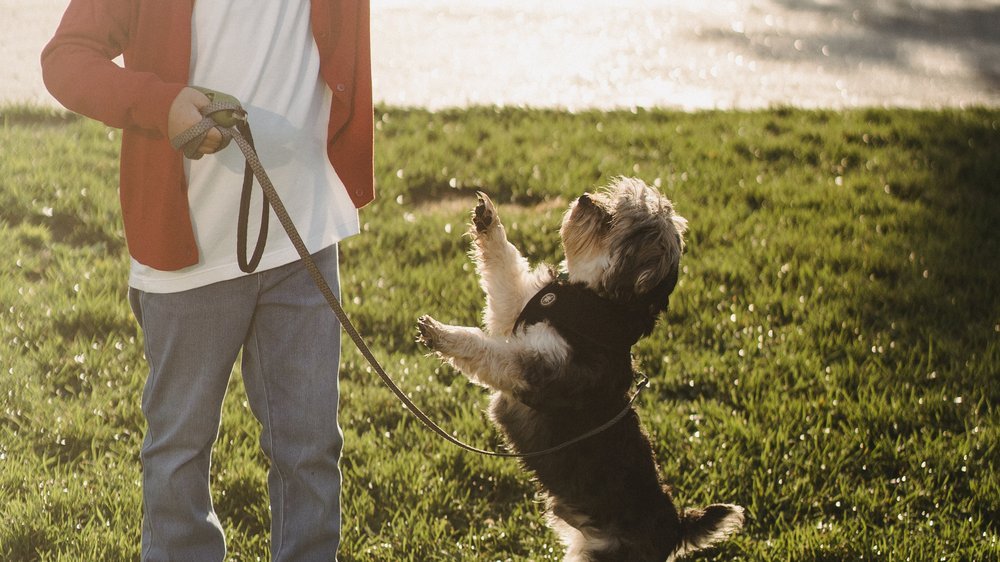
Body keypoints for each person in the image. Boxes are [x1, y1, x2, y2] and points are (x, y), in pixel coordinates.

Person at [41, 1, 373, 560]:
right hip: (187, 247)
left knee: (311, 451)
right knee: (178, 456)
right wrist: (160, 104)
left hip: (303, 234)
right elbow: (65, 60)